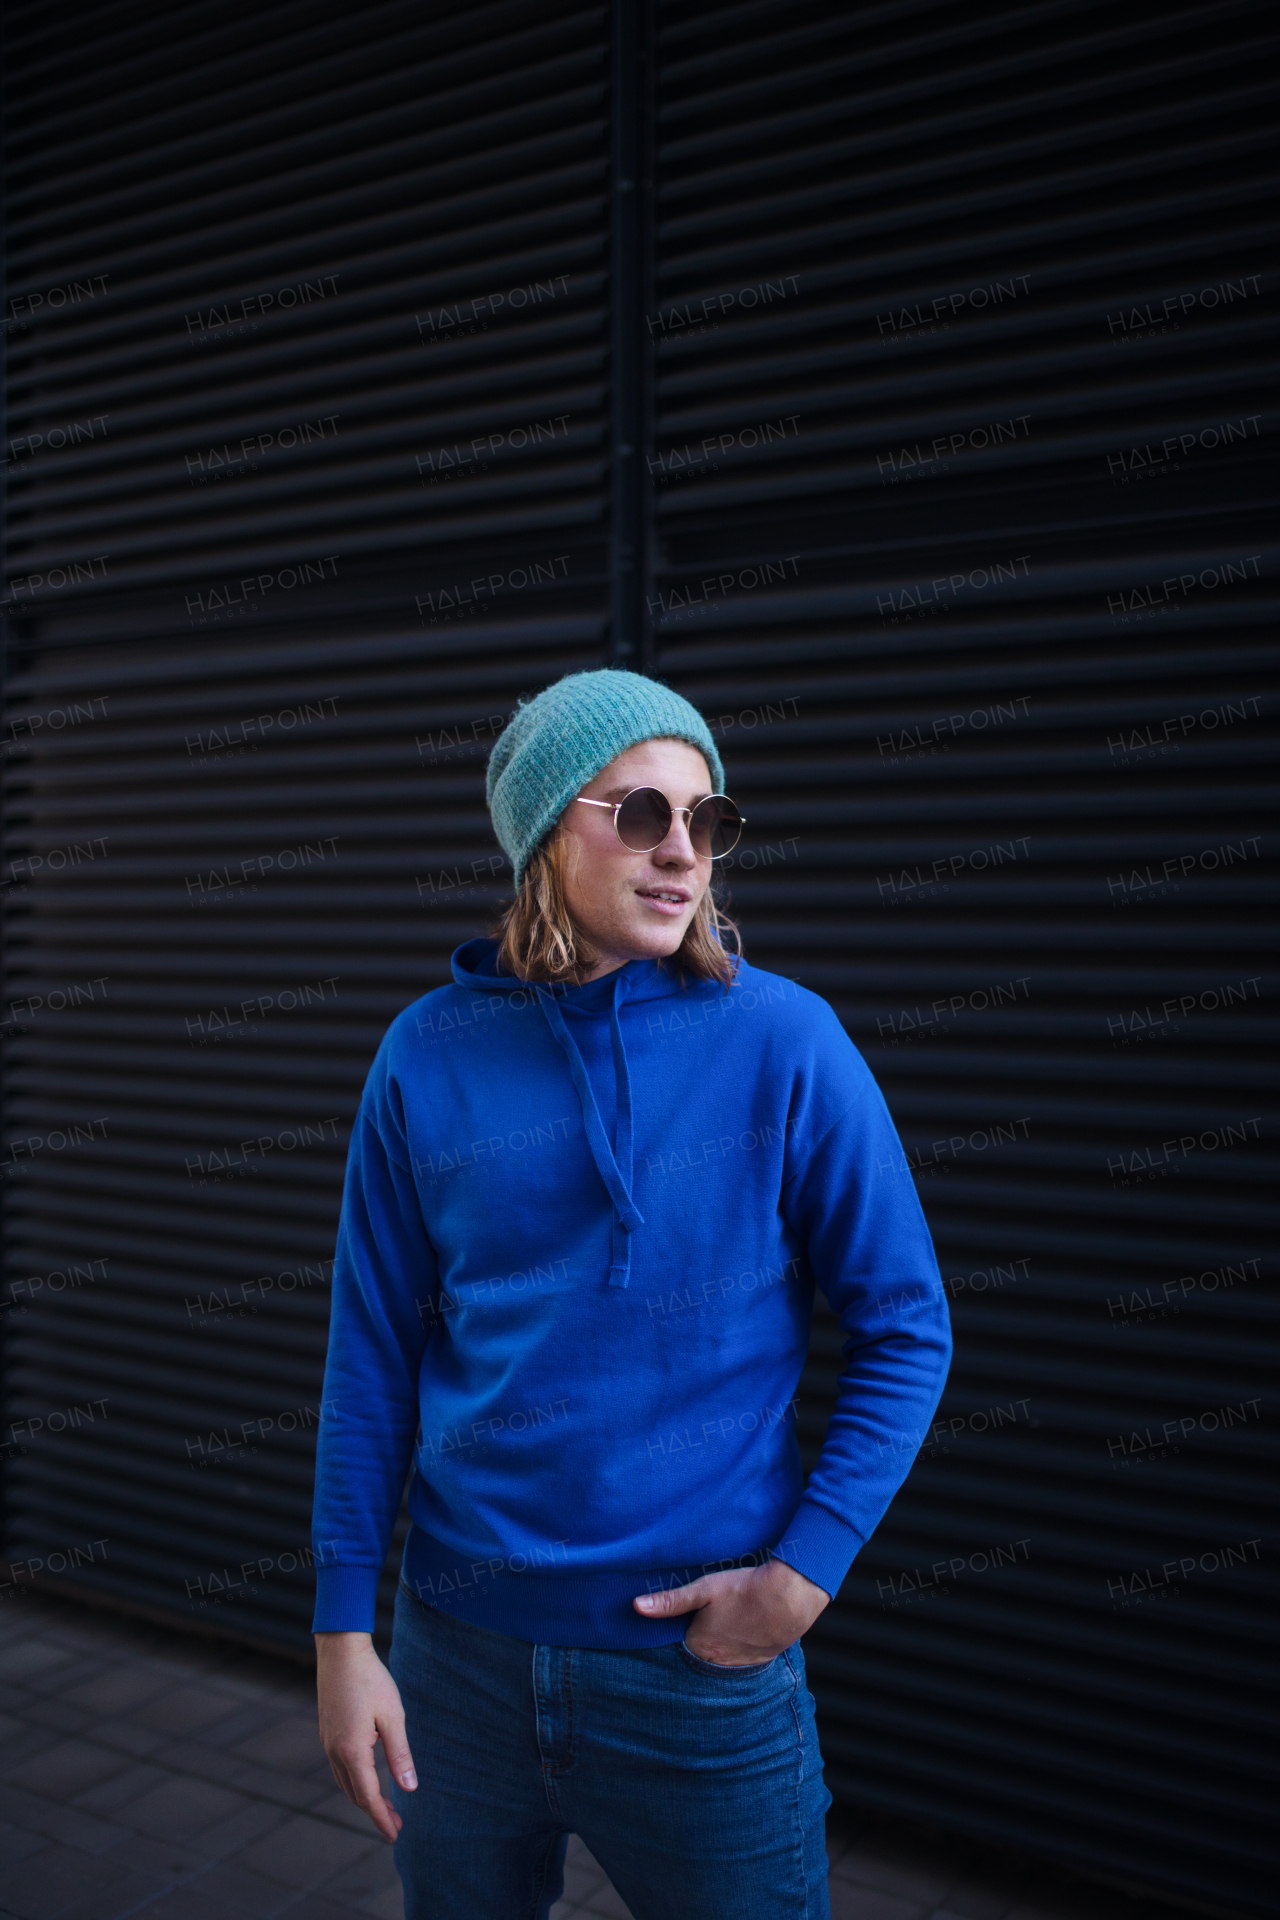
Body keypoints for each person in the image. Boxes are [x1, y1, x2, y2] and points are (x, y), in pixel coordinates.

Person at [312, 668, 951, 1920]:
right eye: (642, 814)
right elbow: (371, 1353)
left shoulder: (785, 1042)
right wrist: (343, 1636)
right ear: (545, 833)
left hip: (693, 1675)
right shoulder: (425, 1054)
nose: (682, 853)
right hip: (457, 1659)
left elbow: (904, 1326)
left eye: (705, 823)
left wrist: (800, 1579)